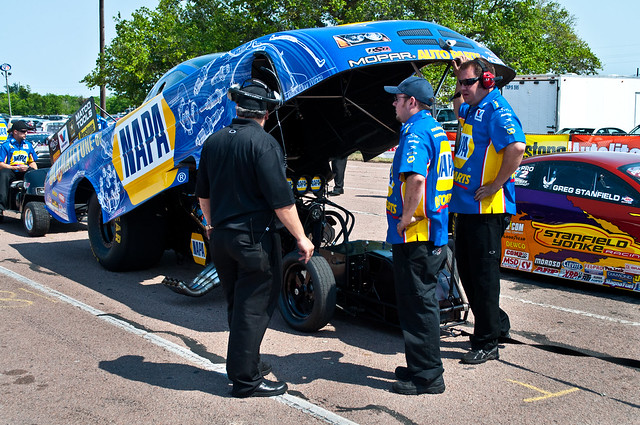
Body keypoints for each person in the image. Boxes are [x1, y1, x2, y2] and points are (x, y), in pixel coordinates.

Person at [195, 78, 314, 398]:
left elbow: (203, 195)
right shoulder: (264, 144)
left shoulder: (213, 141)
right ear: (267, 113)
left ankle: (247, 360)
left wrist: (210, 225)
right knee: (255, 306)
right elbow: (282, 201)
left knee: (238, 303)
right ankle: (245, 380)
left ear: (239, 108)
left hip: (220, 236)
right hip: (252, 239)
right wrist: (301, 237)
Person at [450, 57, 526, 364]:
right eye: (460, 83)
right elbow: (457, 109)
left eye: (468, 82)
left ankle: (486, 341)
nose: (463, 88)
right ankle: (498, 324)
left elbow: (517, 147)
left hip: (487, 208)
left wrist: (496, 184)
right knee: (468, 272)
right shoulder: (473, 106)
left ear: (488, 81)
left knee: (481, 275)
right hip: (466, 205)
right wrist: (458, 76)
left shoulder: (497, 109)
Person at [383, 76, 454, 395]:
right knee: (418, 303)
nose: (394, 103)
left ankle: (427, 376)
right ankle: (419, 364)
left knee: (418, 305)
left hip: (416, 234)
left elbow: (415, 179)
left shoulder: (415, 131)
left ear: (412, 102)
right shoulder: (434, 128)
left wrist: (406, 217)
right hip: (433, 231)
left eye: (397, 98)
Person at [0, 120, 38, 221]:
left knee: (36, 174)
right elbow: (0, 164)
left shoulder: (28, 145)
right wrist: (15, 168)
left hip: (24, 170)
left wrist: (35, 171)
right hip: (11, 170)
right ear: (15, 132)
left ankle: (38, 200)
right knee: (3, 175)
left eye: (26, 131)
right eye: (23, 131)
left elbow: (32, 161)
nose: (26, 133)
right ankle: (1, 208)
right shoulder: (5, 145)